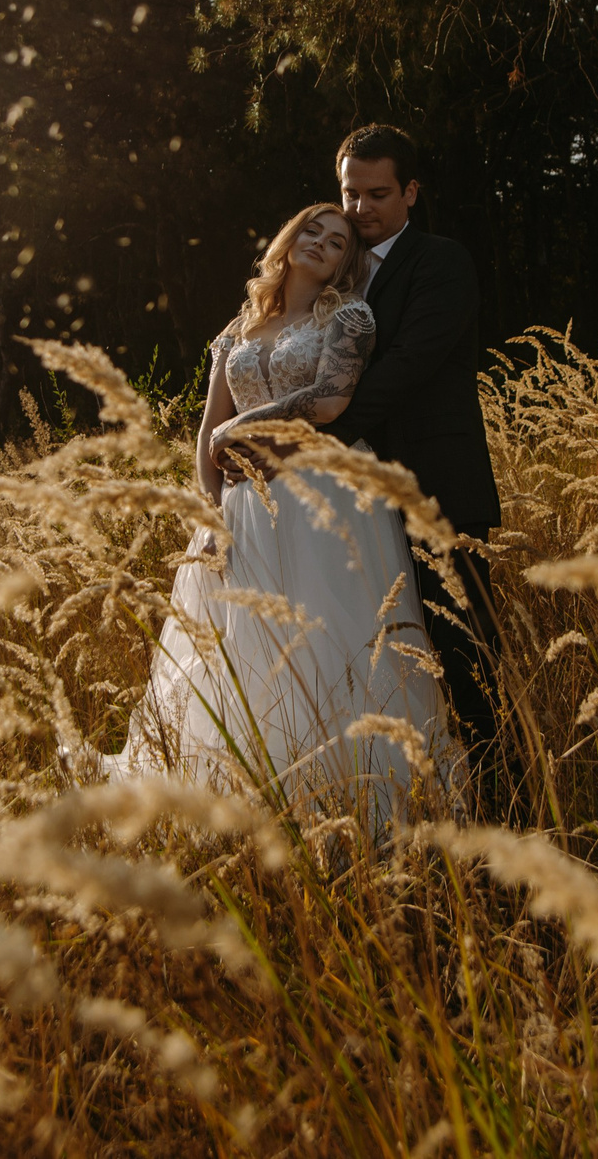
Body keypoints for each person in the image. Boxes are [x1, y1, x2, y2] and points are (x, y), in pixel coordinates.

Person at [113, 202, 459, 821]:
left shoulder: (350, 317)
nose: (321, 244)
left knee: (331, 640)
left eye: (337, 243)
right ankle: (253, 797)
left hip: (325, 499)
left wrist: (241, 428)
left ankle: (354, 797)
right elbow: (206, 433)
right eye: (312, 231)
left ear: (346, 264)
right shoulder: (240, 325)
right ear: (289, 238)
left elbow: (329, 401)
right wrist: (212, 513)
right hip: (243, 504)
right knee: (243, 648)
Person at [330, 125, 505, 771]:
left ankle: (501, 799)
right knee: (375, 656)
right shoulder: (332, 265)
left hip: (436, 488)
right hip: (348, 505)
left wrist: (312, 440)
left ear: (410, 191)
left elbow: (409, 364)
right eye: (350, 192)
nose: (361, 208)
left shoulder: (441, 260)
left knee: (463, 660)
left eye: (378, 193)